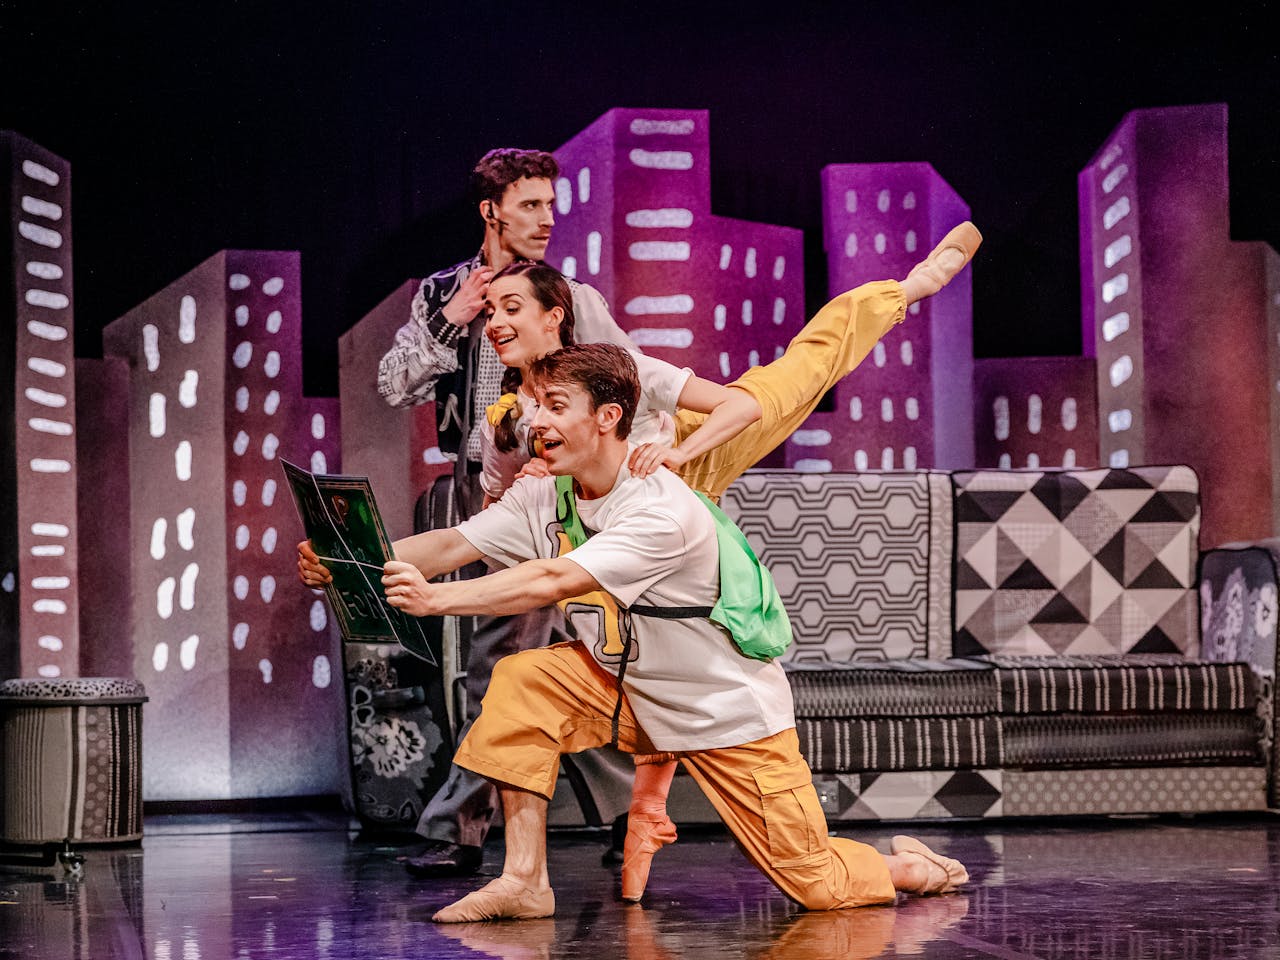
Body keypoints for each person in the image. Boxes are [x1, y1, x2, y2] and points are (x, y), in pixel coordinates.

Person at [297, 342, 971, 922]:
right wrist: (342, 560)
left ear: (608, 416)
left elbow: (552, 581)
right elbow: (451, 542)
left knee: (817, 886)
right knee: (523, 681)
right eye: (536, 405)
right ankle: (525, 880)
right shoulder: (547, 493)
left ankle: (910, 868)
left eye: (556, 405)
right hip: (624, 689)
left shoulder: (661, 511)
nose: (537, 421)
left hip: (721, 708)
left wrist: (436, 604)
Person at [473, 223, 982, 898]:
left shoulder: (617, 371)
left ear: (553, 317)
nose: (498, 322)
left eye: (513, 308)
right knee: (635, 642)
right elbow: (497, 504)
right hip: (614, 527)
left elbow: (735, 405)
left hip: (683, 465)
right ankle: (627, 820)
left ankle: (906, 288)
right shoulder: (509, 413)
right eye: (491, 312)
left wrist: (683, 454)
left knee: (789, 379)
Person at [377, 147, 637, 877]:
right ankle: (624, 808)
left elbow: (629, 379)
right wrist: (450, 321)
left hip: (551, 486)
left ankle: (458, 826)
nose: (547, 220)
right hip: (472, 484)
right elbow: (394, 387)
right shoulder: (442, 294)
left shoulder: (570, 296)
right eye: (530, 205)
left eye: (551, 206)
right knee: (516, 661)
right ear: (491, 211)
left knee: (507, 663)